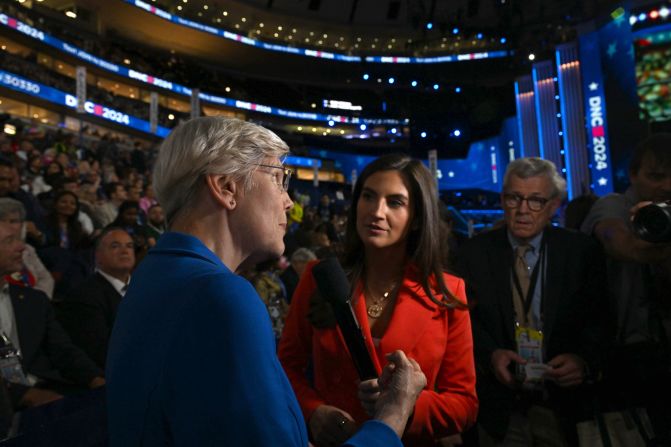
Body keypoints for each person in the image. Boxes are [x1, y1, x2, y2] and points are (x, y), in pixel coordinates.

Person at [106, 117, 427, 447]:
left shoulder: (154, 274)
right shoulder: (222, 295)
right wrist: (393, 414)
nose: (289, 201)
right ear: (227, 187)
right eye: (278, 179)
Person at [278, 154, 478, 446]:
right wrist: (313, 411)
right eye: (368, 197)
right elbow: (285, 366)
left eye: (395, 202)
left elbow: (464, 403)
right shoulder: (319, 277)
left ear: (417, 218)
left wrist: (403, 409)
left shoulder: (447, 293)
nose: (376, 211)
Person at [456, 157, 608, 446]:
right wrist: (491, 355)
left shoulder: (581, 252)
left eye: (536, 200)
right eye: (515, 198)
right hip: (500, 406)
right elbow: (463, 321)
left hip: (563, 402)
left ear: (554, 205)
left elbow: (600, 317)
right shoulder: (473, 254)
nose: (523, 209)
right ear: (503, 200)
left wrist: (583, 361)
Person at [580, 134, 671, 443]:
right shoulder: (614, 205)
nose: (666, 186)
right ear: (633, 174)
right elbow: (625, 247)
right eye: (656, 176)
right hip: (626, 354)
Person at [0, 221, 104, 409]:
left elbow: (63, 350)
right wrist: (23, 395)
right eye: (9, 241)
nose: (21, 247)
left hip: (48, 392)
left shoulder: (33, 300)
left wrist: (95, 379)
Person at [58, 227, 134, 369]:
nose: (125, 251)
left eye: (129, 246)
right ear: (98, 256)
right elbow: (99, 351)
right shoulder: (84, 295)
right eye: (115, 246)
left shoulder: (144, 288)